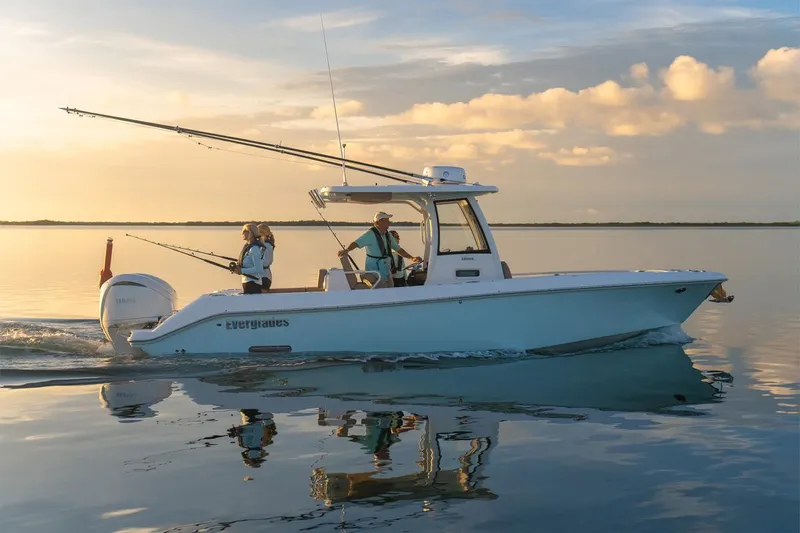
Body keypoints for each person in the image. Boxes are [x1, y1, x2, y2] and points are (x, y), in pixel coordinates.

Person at [337, 211, 421, 288]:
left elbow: (398, 249)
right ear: (379, 222)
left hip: (386, 270)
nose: (389, 223)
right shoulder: (370, 234)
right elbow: (356, 243)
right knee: (382, 290)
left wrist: (411, 258)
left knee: (391, 288)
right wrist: (347, 250)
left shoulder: (388, 235)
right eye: (387, 221)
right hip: (375, 272)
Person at [231, 223, 264, 294]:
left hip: (253, 284)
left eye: (244, 231)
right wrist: (237, 269)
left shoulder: (254, 249)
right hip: (247, 283)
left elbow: (259, 269)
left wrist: (242, 270)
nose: (242, 233)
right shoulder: (247, 247)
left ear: (250, 233)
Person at [257, 223, 275, 291]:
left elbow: (265, 262)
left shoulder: (267, 246)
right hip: (259, 277)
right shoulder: (261, 245)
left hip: (264, 278)